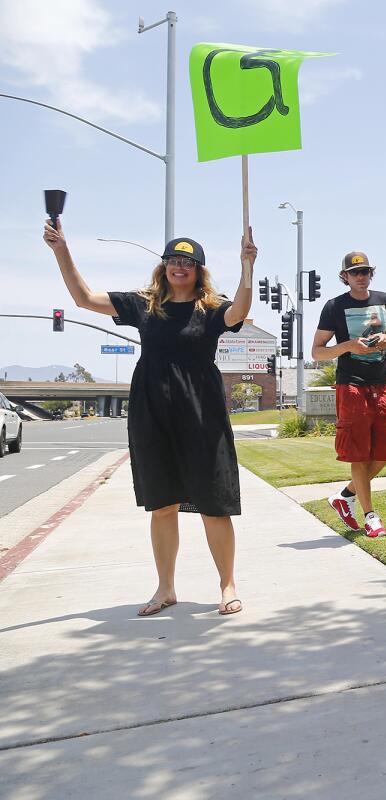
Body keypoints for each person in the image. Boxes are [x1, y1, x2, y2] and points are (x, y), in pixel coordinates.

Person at [43, 220, 257, 617]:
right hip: (152, 411)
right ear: (163, 267)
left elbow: (240, 311)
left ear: (199, 271)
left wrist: (248, 267)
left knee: (214, 504)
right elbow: (84, 298)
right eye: (172, 260)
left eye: (186, 262)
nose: (178, 266)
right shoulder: (144, 304)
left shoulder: (210, 309)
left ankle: (227, 584)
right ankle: (165, 588)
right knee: (162, 504)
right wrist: (61, 251)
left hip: (201, 413)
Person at [312, 251, 386, 538]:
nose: (361, 277)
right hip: (351, 385)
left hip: (380, 384)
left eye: (365, 272)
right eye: (355, 273)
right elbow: (317, 351)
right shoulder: (333, 306)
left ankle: (344, 496)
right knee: (357, 452)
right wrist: (349, 346)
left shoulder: (384, 300)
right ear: (345, 277)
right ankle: (371, 517)